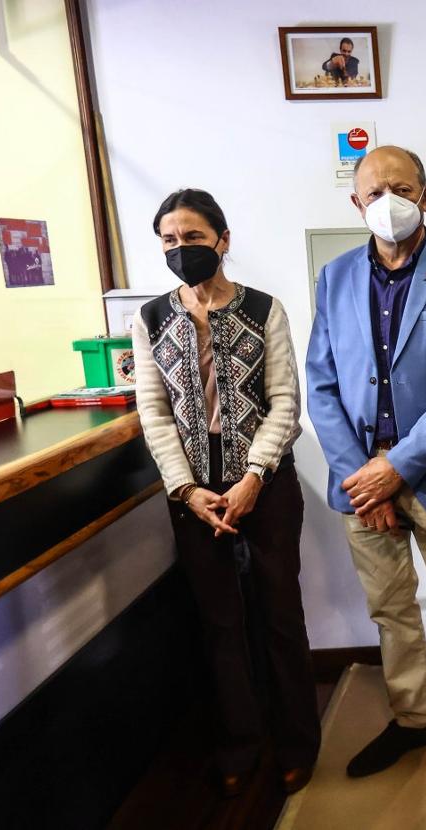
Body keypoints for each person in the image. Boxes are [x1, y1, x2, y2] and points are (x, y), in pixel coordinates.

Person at [305, 145, 426, 800]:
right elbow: (323, 383)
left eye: (400, 186)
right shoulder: (334, 278)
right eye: (373, 191)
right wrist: (363, 474)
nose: (386, 200)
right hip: (361, 481)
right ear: (356, 203)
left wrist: (397, 467)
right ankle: (412, 718)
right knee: (392, 612)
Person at [132, 188, 319, 796]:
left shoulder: (264, 308)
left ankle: (296, 741)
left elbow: (287, 402)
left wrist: (253, 477)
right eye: (169, 240)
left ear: (222, 240)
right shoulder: (152, 317)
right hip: (194, 498)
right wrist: (186, 491)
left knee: (279, 615)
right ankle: (239, 742)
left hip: (265, 487)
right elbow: (153, 412)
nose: (181, 249)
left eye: (192, 237)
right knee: (219, 623)